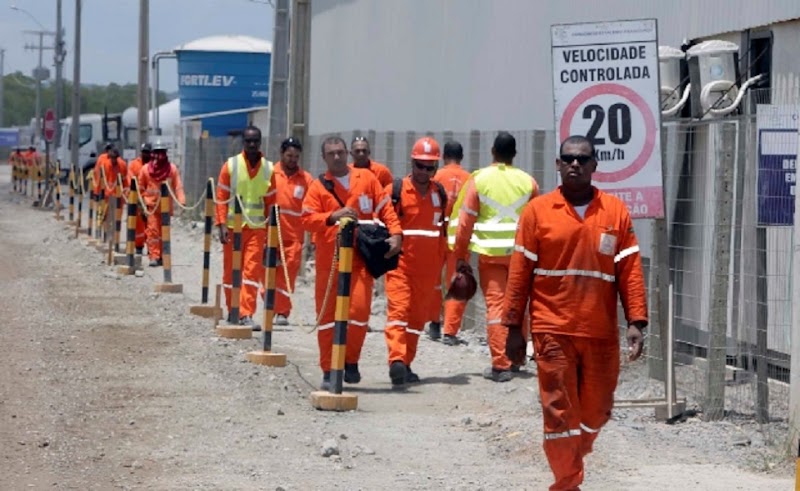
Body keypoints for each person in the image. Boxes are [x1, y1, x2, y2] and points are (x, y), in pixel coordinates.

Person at [502, 135, 648, 491]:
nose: (575, 165)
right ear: (557, 164)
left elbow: (630, 271)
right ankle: (566, 483)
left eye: (583, 159)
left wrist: (636, 321)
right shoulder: (537, 212)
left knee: (597, 412)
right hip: (553, 329)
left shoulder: (614, 212)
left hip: (599, 331)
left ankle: (575, 456)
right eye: (568, 158)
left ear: (595, 166)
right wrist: (513, 328)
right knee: (558, 412)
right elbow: (519, 274)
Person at [302, 136, 402, 390]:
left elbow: (386, 208)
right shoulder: (318, 187)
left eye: (340, 152)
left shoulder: (366, 179)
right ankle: (328, 368)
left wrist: (397, 234)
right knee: (327, 318)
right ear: (324, 158)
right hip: (330, 262)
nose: (337, 157)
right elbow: (306, 219)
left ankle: (350, 360)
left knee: (358, 313)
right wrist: (331, 216)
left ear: (346, 153)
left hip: (360, 259)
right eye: (331, 154)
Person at [449, 131, 539, 382]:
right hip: (521, 255)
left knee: (497, 308)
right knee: (519, 306)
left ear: (492, 152)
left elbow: (465, 220)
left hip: (491, 255)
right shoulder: (528, 181)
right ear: (514, 154)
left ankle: (501, 364)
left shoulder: (480, 179)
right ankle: (518, 359)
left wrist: (461, 255)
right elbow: (536, 221)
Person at [383, 137, 448, 386]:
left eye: (429, 167)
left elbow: (442, 232)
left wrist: (446, 261)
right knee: (399, 312)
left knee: (417, 320)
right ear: (412, 163)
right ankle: (396, 360)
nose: (424, 171)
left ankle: (406, 364)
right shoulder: (396, 191)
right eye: (420, 165)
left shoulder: (439, 194)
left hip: (428, 271)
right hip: (400, 267)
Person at [215, 126, 277, 331]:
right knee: (231, 272)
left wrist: (271, 231)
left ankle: (246, 313)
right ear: (243, 142)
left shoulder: (269, 169)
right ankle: (232, 310)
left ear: (260, 142)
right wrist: (221, 223)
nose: (252, 145)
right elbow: (222, 197)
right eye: (248, 141)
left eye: (255, 141)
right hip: (232, 228)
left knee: (251, 272)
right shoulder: (231, 166)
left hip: (256, 228)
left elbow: (271, 202)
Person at [430, 140, 472, 345]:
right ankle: (450, 331)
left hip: (438, 235)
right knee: (457, 283)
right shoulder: (470, 179)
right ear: (461, 157)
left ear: (444, 157)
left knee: (435, 280)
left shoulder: (436, 177)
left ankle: (433, 322)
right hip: (459, 238)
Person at [271, 137, 313, 326]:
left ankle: (282, 312)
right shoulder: (271, 174)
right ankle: (270, 303)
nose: (292, 160)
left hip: (294, 237)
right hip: (271, 233)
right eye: (289, 155)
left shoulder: (306, 179)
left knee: (288, 276)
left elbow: (313, 207)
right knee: (269, 272)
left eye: (296, 156)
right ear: (281, 154)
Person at [138, 141, 185, 268]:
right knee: (152, 232)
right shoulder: (145, 170)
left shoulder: (172, 170)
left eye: (162, 152)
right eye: (157, 152)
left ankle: (163, 256)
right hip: (151, 207)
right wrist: (141, 206)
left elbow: (178, 187)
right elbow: (140, 189)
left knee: (164, 233)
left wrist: (182, 202)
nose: (159, 156)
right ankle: (154, 256)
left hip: (165, 208)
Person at [128, 143, 152, 255]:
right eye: (144, 152)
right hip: (137, 199)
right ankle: (138, 246)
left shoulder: (154, 165)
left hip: (150, 199)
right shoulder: (134, 165)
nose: (146, 154)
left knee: (151, 225)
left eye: (148, 152)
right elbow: (130, 181)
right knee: (138, 224)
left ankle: (151, 248)